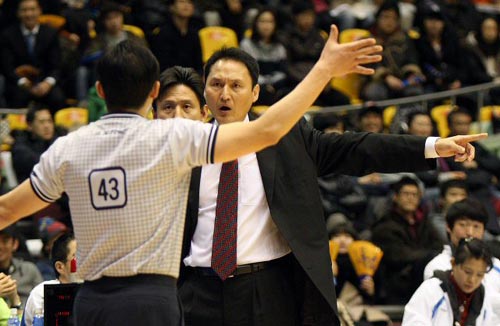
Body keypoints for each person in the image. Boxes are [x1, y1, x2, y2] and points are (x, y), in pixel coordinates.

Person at [0, 26, 388, 325]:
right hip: (156, 297)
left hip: (92, 301)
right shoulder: (173, 137)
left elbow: (6, 211)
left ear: (99, 89)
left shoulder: (67, 148)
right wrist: (322, 71)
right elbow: (267, 130)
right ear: (154, 92)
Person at [178, 47, 487, 325]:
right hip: (198, 291)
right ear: (204, 90)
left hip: (266, 290)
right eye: (216, 84)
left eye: (235, 85)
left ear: (255, 93)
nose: (225, 94)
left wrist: (432, 146)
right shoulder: (185, 146)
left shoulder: (289, 139)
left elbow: (359, 148)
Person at [371, 176, 443, 304]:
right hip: (396, 282)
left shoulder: (425, 223)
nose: (410, 198)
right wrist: (427, 255)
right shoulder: (384, 225)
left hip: (423, 274)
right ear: (395, 197)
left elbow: (439, 246)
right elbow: (397, 256)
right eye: (406, 194)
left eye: (414, 195)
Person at [402, 238, 498, 325]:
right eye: (467, 272)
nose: (472, 280)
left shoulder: (482, 296)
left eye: (479, 275)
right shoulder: (431, 290)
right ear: (453, 263)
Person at [0, 0, 67, 112]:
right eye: (24, 10)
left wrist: (47, 83)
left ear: (39, 11)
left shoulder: (50, 33)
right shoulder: (8, 35)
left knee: (58, 98)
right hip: (19, 83)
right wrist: (22, 82)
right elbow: (7, 67)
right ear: (18, 13)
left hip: (44, 81)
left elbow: (56, 65)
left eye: (32, 9)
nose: (29, 14)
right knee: (16, 98)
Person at [423, 198, 500, 291]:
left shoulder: (496, 265)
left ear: (484, 231)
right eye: (463, 225)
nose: (470, 233)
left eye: (476, 226)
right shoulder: (437, 267)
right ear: (448, 227)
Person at [21, 232, 77, 326]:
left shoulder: (97, 290)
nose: (86, 261)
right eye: (78, 256)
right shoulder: (41, 294)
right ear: (60, 267)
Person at [0, 226, 42, 306]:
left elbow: (43, 303)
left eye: (5, 240)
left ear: (15, 244)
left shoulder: (29, 269)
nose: (0, 246)